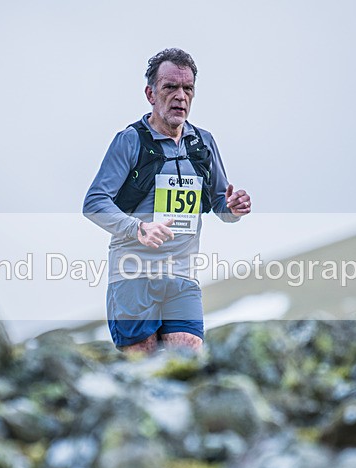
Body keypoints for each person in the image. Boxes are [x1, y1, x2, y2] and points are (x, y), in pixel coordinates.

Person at [83, 48, 251, 354]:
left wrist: (233, 207)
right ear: (150, 93)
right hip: (133, 275)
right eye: (170, 87)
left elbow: (219, 203)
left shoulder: (203, 143)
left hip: (182, 277)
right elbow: (94, 202)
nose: (180, 96)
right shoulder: (130, 140)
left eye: (188, 88)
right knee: (143, 371)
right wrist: (138, 228)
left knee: (187, 358)